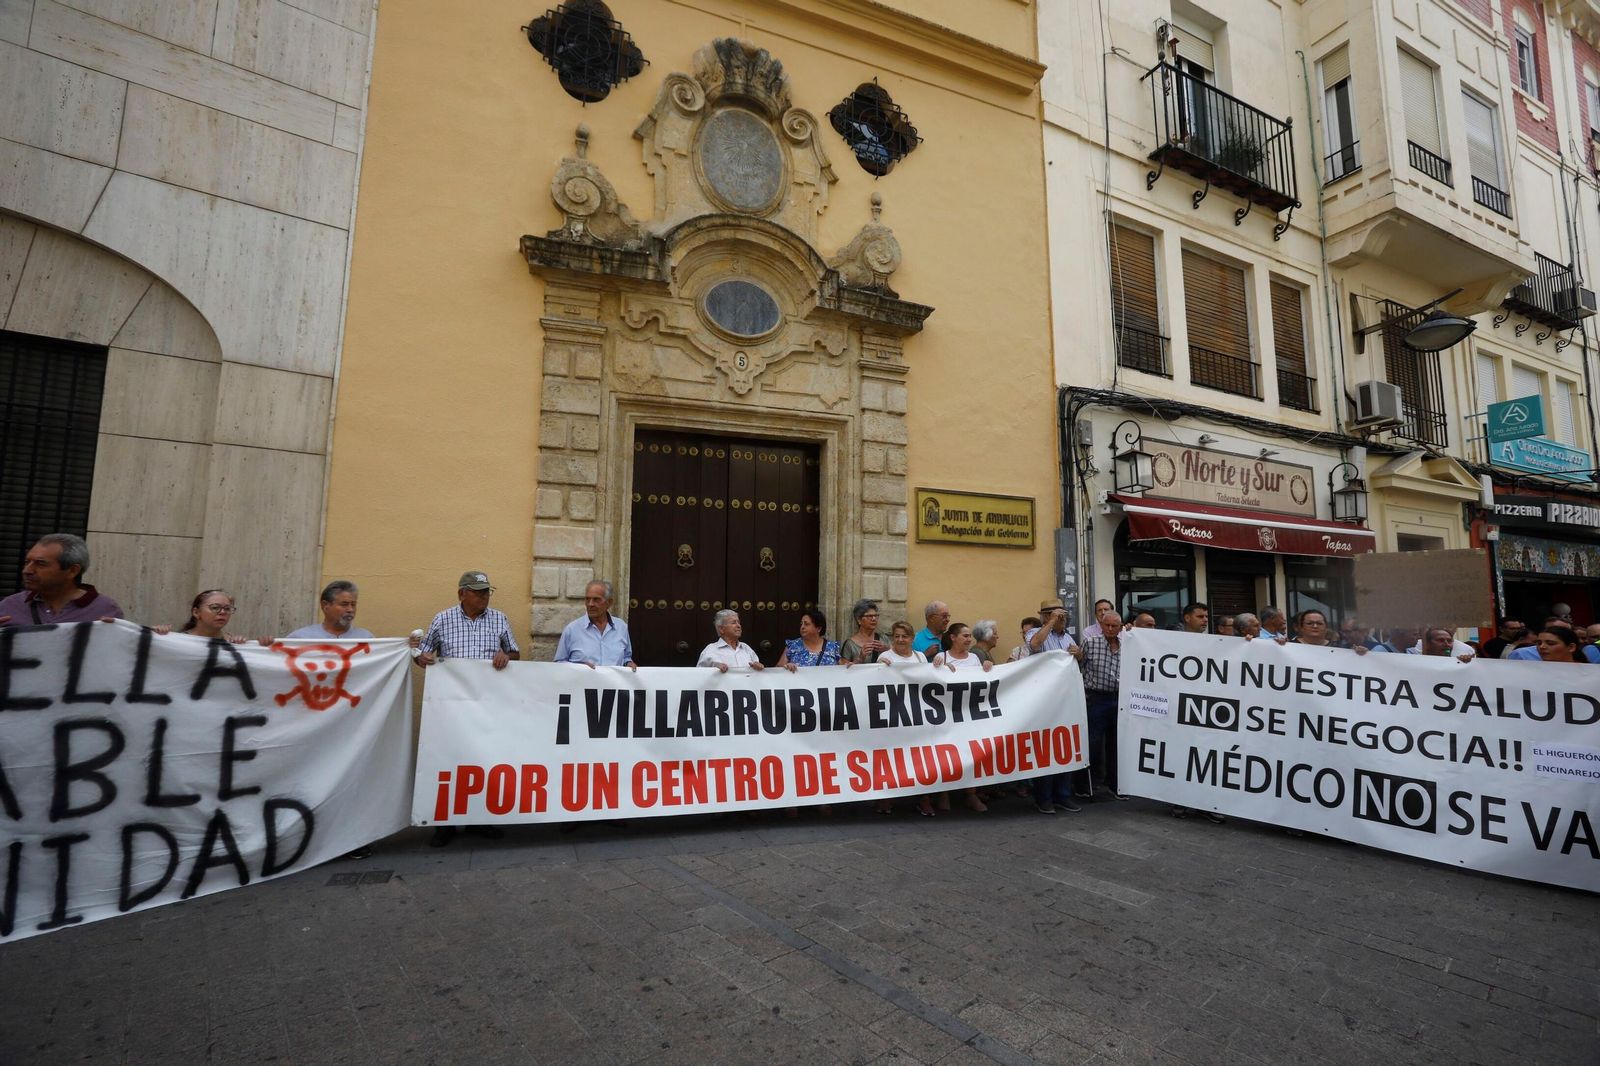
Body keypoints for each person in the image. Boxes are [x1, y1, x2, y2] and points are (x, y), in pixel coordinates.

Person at [416, 571, 519, 848]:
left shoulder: (499, 619)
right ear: (462, 593)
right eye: (478, 591)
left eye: (486, 591)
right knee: (448, 761)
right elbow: (423, 654)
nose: (484, 596)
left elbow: (514, 652)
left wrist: (505, 655)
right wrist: (422, 658)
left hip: (487, 705)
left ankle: (479, 819)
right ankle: (445, 825)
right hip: (451, 706)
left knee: (482, 758)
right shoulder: (442, 619)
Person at [930, 623, 992, 814]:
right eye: (964, 636)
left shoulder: (974, 658)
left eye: (969, 636)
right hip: (947, 715)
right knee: (946, 754)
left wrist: (987, 668)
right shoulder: (942, 657)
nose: (969, 639)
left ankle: (970, 794)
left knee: (971, 753)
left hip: (969, 715)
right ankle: (944, 793)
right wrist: (938, 668)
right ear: (953, 638)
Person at [0, 533, 123, 626]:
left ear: (72, 571)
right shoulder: (10, 606)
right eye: (27, 562)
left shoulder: (104, 610)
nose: (27, 570)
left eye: (41, 564)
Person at [1078, 611, 1125, 802]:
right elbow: (1079, 667)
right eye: (1107, 625)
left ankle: (1115, 785)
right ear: (1101, 625)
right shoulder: (1091, 643)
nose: (1111, 629)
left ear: (1121, 627)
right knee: (1092, 744)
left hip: (1119, 699)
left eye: (1115, 626)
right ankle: (1086, 786)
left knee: (1117, 744)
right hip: (1096, 698)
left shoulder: (1128, 645)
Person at [554, 580, 636, 669]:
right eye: (587, 599)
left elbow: (626, 657)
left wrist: (628, 663)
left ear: (609, 602)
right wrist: (578, 668)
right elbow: (559, 664)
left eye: (596, 599)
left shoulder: (621, 627)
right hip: (583, 682)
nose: (590, 604)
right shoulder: (572, 630)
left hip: (613, 683)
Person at [282, 580, 374, 640]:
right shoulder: (301, 638)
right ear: (325, 605)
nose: (350, 609)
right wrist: (268, 648)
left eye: (353, 605)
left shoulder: (366, 639)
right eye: (344, 604)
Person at [699, 609, 764, 671]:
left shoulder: (746, 648)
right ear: (721, 629)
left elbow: (758, 671)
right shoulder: (710, 650)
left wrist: (758, 667)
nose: (739, 626)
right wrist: (714, 670)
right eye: (733, 623)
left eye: (738, 622)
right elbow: (700, 675)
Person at [177, 590, 250, 644]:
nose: (223, 612)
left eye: (227, 608)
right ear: (196, 612)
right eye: (215, 607)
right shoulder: (179, 641)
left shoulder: (233, 643)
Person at [840, 599, 886, 664]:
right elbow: (843, 669)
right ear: (859, 620)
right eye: (869, 616)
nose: (874, 619)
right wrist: (860, 659)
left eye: (875, 616)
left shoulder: (883, 639)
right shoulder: (850, 644)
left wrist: (887, 649)